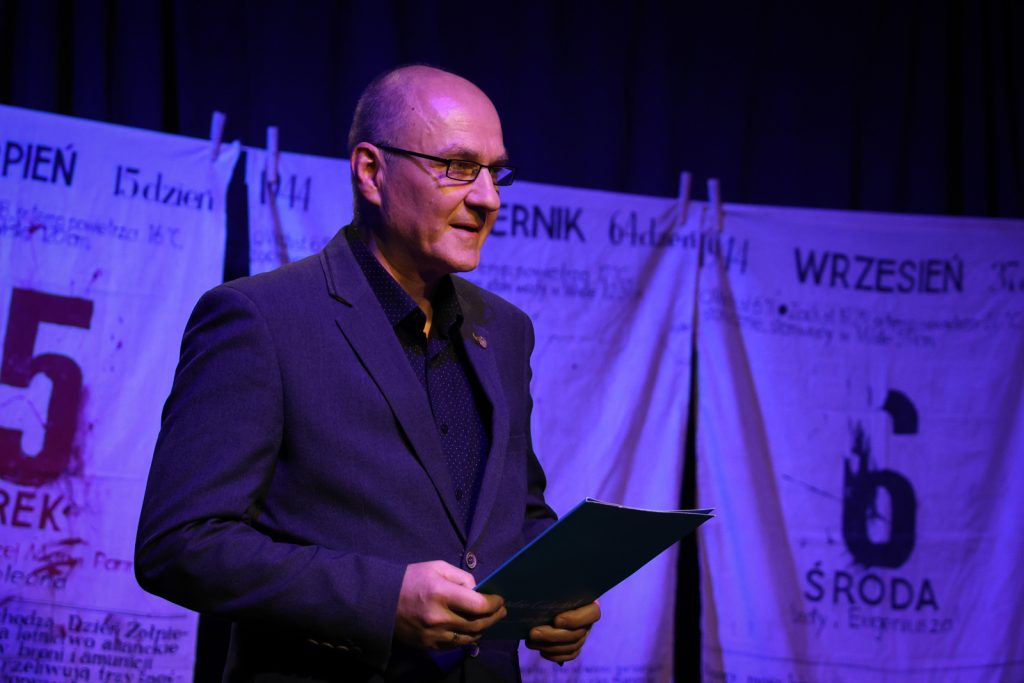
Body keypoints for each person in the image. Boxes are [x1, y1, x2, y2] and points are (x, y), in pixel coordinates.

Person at [135, 64, 600, 682]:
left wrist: (556, 593)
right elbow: (179, 543)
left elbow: (516, 511)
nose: (489, 197)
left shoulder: (506, 330)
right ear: (371, 171)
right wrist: (383, 601)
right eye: (458, 167)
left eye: (496, 172)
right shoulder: (260, 318)